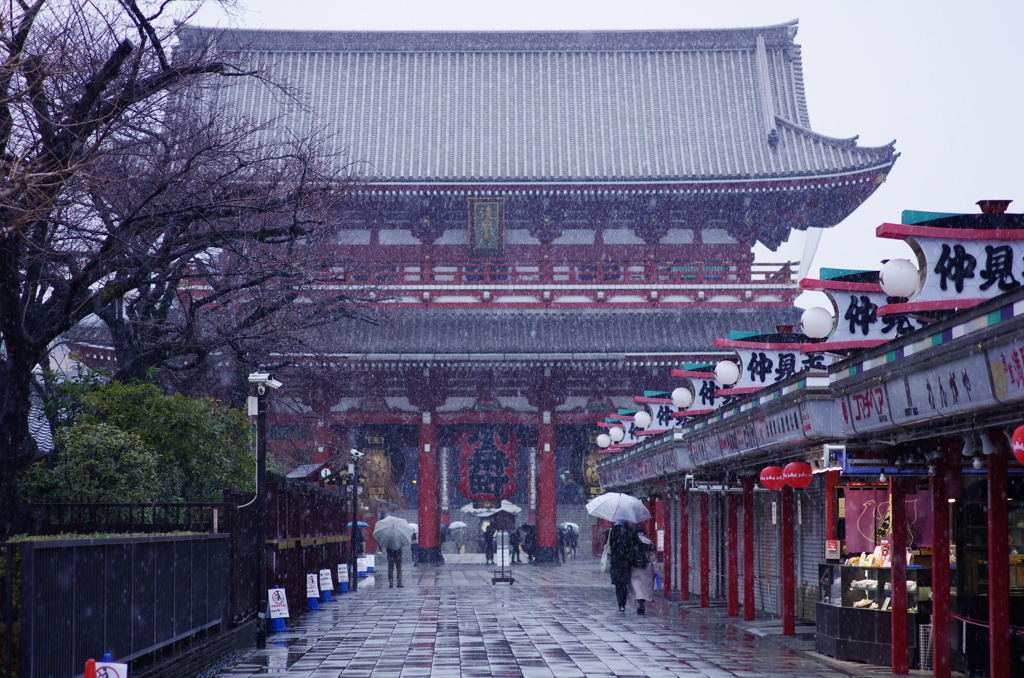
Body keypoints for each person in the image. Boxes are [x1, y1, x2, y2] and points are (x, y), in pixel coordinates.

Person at [607, 520, 639, 614]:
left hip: (616, 562)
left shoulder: (612, 531)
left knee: (618, 585)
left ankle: (620, 604)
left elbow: (610, 545)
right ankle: (623, 604)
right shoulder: (630, 531)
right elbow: (635, 545)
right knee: (624, 584)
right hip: (626, 562)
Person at [630, 528, 656, 614]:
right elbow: (652, 557)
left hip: (634, 567)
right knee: (645, 585)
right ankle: (642, 601)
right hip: (646, 567)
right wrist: (655, 567)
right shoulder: (649, 542)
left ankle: (639, 600)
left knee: (636, 585)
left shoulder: (632, 542)